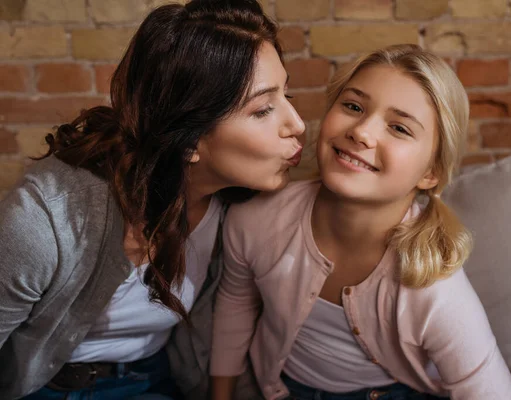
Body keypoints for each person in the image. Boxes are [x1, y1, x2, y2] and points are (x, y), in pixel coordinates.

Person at [209, 44, 511, 400]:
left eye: (398, 128)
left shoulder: (433, 286)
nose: (361, 132)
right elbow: (235, 302)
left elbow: (486, 387)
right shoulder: (255, 220)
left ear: (430, 173)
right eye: (353, 106)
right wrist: (221, 393)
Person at [0, 0, 304, 399]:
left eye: (288, 93)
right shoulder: (47, 217)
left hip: (161, 379)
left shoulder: (239, 209)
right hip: (50, 387)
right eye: (263, 109)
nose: (297, 123)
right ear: (190, 137)